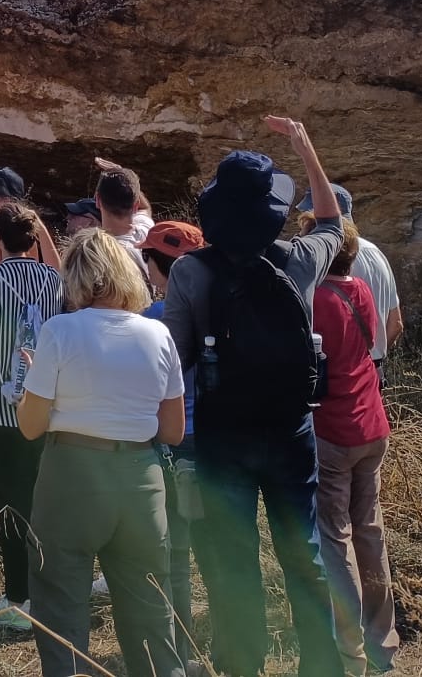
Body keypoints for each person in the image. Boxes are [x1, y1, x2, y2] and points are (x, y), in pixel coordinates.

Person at [164, 118, 345, 677]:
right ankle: (321, 666)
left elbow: (177, 358)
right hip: (291, 431)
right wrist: (306, 147)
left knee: (232, 561)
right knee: (305, 556)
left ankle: (242, 663)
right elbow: (334, 221)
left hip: (223, 436)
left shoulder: (191, 271)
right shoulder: (299, 260)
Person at [18, 230, 186, 677]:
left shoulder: (59, 331)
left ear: (75, 276)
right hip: (140, 477)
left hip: (71, 475)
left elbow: (31, 427)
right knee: (152, 607)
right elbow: (173, 431)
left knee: (60, 605)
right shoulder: (158, 333)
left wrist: (39, 390)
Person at [0, 202, 64, 631]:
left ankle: (18, 598)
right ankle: (47, 591)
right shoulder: (54, 280)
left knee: (10, 504)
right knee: (43, 501)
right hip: (45, 407)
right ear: (35, 238)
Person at [311, 217, 397, 676]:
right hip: (372, 422)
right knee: (370, 530)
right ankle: (382, 642)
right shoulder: (359, 289)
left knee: (335, 536)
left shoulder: (316, 299)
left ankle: (350, 651)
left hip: (333, 428)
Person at [138, 220, 205, 634]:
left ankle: (179, 648)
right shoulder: (220, 306)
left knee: (176, 554)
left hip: (171, 443)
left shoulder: (152, 320)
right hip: (217, 441)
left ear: (156, 264)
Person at [294, 184, 401, 371]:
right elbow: (396, 324)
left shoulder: (324, 258)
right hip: (370, 371)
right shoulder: (375, 252)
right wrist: (371, 361)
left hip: (335, 374)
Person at [95, 161, 156, 249]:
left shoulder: (94, 250)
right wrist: (125, 178)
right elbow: (145, 208)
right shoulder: (146, 231)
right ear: (136, 206)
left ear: (97, 200)